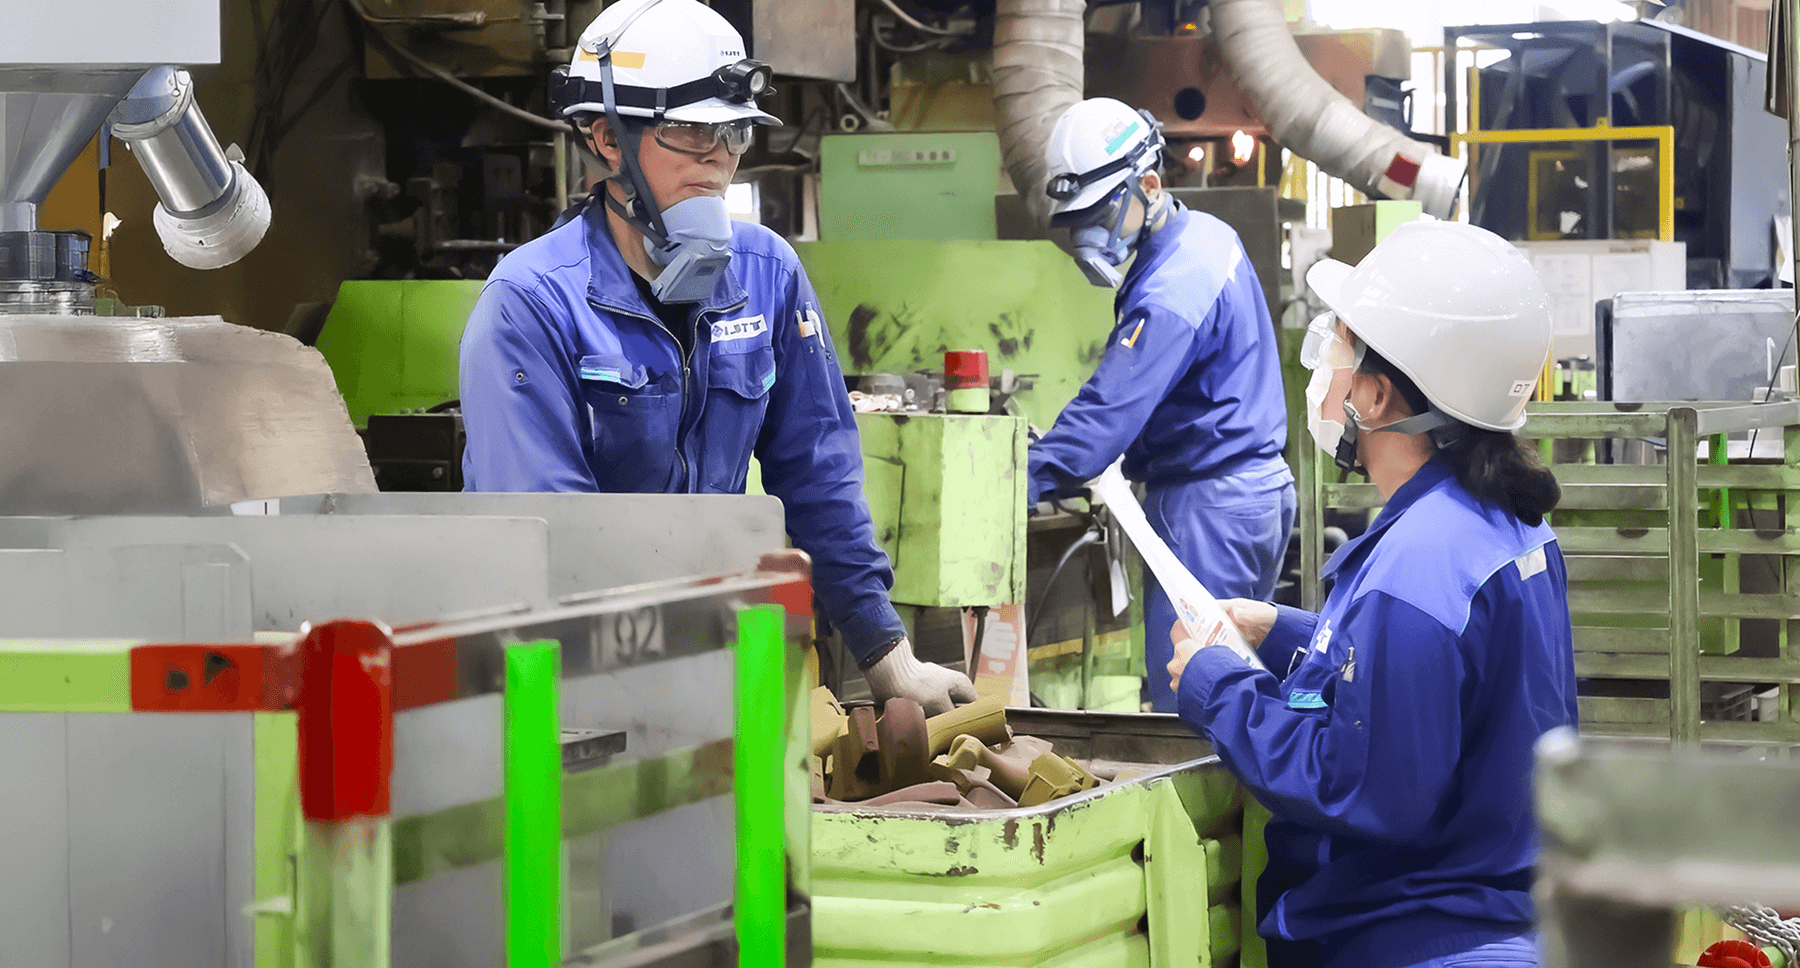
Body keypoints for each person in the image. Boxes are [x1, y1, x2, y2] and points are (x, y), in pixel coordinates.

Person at [457, 0, 976, 714]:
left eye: (732, 133)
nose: (717, 161)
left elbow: (817, 468)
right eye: (689, 132)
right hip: (567, 683)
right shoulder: (530, 303)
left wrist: (888, 656)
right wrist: (643, 693)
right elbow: (545, 538)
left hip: (711, 669)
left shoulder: (767, 273)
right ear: (609, 138)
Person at [1166, 220, 1579, 968]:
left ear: (1380, 395)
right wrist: (1287, 632)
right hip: (1505, 913)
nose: (1327, 369)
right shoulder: (1500, 523)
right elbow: (1443, 690)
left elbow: (1358, 787)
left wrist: (1217, 685)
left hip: (1412, 935)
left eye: (1342, 350)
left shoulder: (1417, 566)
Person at [1029, 97, 1295, 712]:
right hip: (1253, 492)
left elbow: (1106, 417)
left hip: (1210, 505)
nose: (1085, 235)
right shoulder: (1206, 237)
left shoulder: (1172, 288)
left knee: (1193, 695)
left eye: (1098, 213)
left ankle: (1193, 811)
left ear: (1148, 186)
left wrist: (1017, 479)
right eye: (1077, 220)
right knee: (1239, 682)